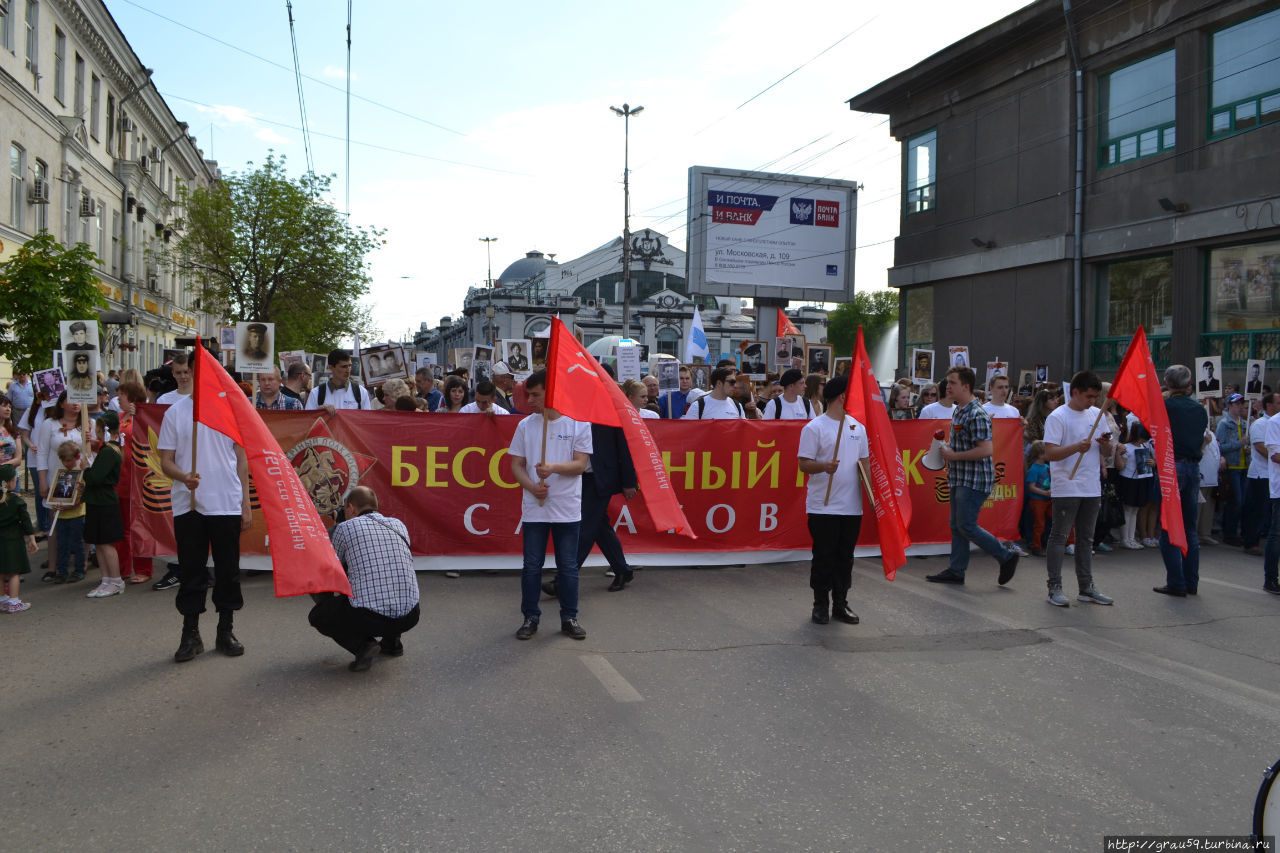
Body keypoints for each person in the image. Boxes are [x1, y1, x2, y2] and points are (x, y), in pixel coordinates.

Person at [158, 393, 253, 662]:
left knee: (228, 571)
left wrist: (245, 502)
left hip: (226, 503)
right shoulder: (175, 412)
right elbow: (166, 460)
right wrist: (183, 477)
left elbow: (242, 458)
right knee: (191, 571)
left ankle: (226, 631)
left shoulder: (230, 412)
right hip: (190, 505)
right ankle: (190, 634)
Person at [508, 370, 592, 641]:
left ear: (551, 392)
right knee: (532, 565)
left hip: (567, 507)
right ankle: (530, 617)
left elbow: (580, 465)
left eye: (535, 394)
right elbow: (515, 465)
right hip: (535, 506)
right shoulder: (526, 426)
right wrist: (531, 486)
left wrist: (552, 467)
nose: (529, 400)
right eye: (528, 394)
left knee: (567, 566)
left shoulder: (578, 424)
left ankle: (569, 617)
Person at [308, 486, 421, 672]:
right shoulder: (399, 525)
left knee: (318, 616)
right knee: (388, 579)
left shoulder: (344, 528)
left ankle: (363, 646)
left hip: (370, 617)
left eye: (345, 509)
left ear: (351, 508)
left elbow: (331, 568)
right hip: (411, 615)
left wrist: (337, 526)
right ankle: (392, 642)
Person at [926, 366, 1020, 586]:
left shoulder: (976, 413)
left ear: (966, 386)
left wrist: (953, 455)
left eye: (952, 383)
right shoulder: (960, 409)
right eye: (947, 382)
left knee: (966, 526)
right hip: (961, 478)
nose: (947, 386)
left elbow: (986, 450)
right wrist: (945, 448)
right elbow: (966, 443)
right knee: (957, 525)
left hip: (974, 480)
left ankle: (1005, 556)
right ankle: (957, 570)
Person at [797, 375, 869, 625]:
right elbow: (803, 465)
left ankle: (841, 603)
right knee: (824, 556)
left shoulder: (858, 428)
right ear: (841, 396)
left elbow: (865, 464)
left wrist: (871, 490)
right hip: (823, 506)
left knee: (845, 557)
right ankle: (820, 604)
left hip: (851, 507)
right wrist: (823, 466)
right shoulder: (814, 427)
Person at [1040, 370, 1115, 607]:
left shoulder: (1098, 414)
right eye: (1089, 396)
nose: (1093, 401)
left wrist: (1105, 446)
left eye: (1096, 397)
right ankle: (1054, 587)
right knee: (1060, 536)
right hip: (1066, 486)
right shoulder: (1058, 416)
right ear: (1075, 392)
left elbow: (1107, 451)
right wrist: (1076, 447)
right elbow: (1050, 453)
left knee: (1086, 539)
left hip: (1091, 486)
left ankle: (1086, 587)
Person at [1155, 364, 1208, 597]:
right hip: (1193, 466)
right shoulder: (1199, 409)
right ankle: (1191, 581)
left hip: (1171, 466)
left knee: (1168, 526)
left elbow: (1149, 432)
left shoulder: (1165, 406)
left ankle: (1176, 582)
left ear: (1167, 383)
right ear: (1188, 384)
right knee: (1189, 528)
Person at [82, 412, 125, 598]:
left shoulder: (109, 451)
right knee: (98, 542)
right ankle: (105, 579)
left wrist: (86, 468)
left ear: (102, 428)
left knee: (106, 543)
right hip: (97, 500)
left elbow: (96, 477)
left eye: (96, 427)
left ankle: (116, 580)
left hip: (105, 501)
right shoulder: (106, 448)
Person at [1244, 392, 1279, 555]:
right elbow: (1260, 447)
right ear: (1269, 405)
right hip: (1260, 474)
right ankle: (1252, 542)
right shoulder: (1260, 424)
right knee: (1258, 510)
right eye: (1278, 403)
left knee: (1268, 512)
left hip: (1272, 475)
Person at [0, 463, 36, 613]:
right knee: (14, 572)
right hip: (13, 540)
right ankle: (14, 601)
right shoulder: (16, 501)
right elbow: (26, 522)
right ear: (10, 482)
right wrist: (32, 539)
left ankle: (2, 599)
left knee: (0, 571)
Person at [1215, 393, 1249, 546]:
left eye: (1241, 404)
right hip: (1232, 466)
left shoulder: (1244, 423)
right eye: (1237, 404)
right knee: (1236, 501)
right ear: (1229, 406)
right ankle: (1229, 532)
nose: (1240, 406)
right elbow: (1219, 446)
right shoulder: (1224, 424)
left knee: (1240, 501)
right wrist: (1240, 444)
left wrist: (1247, 449)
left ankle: (1233, 531)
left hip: (1244, 466)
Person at [1117, 420, 1155, 550]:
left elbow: (1152, 461)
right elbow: (1121, 465)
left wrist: (1152, 463)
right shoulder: (1127, 447)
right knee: (1128, 509)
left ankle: (1131, 537)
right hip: (1129, 479)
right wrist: (1119, 455)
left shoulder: (1145, 447)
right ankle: (1125, 538)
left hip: (1141, 479)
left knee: (1135, 510)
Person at [305, 349, 371, 413]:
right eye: (344, 366)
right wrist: (318, 411)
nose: (348, 370)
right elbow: (308, 421)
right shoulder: (316, 393)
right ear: (331, 367)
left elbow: (366, 421)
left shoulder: (361, 392)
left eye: (350, 366)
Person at [1025, 441, 1051, 555]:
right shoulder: (1034, 469)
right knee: (1039, 523)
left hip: (1048, 500)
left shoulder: (1047, 467)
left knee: (1051, 521)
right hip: (1038, 500)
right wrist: (1044, 493)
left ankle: (1046, 542)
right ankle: (1036, 546)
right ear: (1040, 454)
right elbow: (1031, 487)